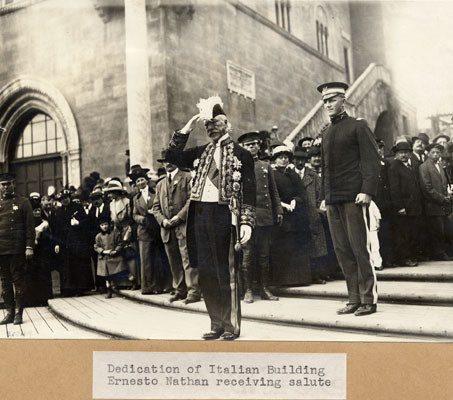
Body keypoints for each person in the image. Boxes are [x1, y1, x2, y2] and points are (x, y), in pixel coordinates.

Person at [165, 97, 256, 341]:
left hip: (225, 216)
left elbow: (249, 190)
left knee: (225, 272)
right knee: (206, 273)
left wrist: (246, 221)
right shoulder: (200, 153)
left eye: (215, 124)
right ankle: (216, 323)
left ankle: (230, 325)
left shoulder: (242, 154)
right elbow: (171, 156)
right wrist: (186, 129)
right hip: (200, 217)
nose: (210, 129)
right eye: (207, 126)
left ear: (227, 124)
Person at [318, 81, 380, 316]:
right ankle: (353, 297)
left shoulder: (358, 126)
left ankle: (368, 299)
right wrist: (325, 197)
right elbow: (325, 168)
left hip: (355, 198)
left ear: (344, 100)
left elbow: (371, 161)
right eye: (325, 101)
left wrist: (367, 190)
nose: (328, 104)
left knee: (359, 248)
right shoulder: (326, 132)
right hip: (333, 200)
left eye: (332, 99)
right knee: (343, 250)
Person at [237, 131, 282, 303]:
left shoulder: (265, 166)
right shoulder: (237, 166)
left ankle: (264, 288)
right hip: (245, 218)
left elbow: (273, 191)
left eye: (255, 144)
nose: (253, 147)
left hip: (264, 216)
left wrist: (278, 210)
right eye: (249, 145)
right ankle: (248, 290)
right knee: (247, 255)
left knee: (264, 255)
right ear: (243, 147)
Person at [152, 151, 201, 304]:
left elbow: (191, 201)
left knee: (187, 259)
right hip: (167, 228)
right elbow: (155, 207)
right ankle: (180, 290)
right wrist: (163, 221)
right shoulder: (160, 184)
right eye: (165, 161)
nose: (167, 163)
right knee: (174, 260)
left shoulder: (187, 178)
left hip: (183, 226)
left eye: (171, 160)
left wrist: (178, 217)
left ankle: (194, 291)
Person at [270, 145, 312, 287]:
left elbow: (301, 193)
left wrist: (295, 200)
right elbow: (270, 194)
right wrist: (281, 204)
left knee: (297, 244)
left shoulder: (293, 175)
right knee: (283, 246)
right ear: (275, 160)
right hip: (280, 214)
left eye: (286, 158)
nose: (283, 160)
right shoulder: (272, 174)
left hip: (295, 215)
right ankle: (282, 280)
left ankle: (299, 279)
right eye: (280, 158)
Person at [129, 165, 172, 295]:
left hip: (157, 228)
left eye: (142, 180)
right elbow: (134, 214)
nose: (140, 183)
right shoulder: (136, 199)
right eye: (138, 181)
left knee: (159, 257)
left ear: (146, 180)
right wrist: (141, 219)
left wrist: (154, 213)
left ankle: (163, 285)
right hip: (144, 231)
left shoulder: (155, 192)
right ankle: (147, 286)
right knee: (146, 259)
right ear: (136, 184)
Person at [0, 173, 35, 325]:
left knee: (18, 281)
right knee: (4, 282)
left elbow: (30, 227)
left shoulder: (23, 202)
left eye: (8, 184)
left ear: (14, 184)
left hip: (17, 249)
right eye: (2, 184)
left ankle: (18, 313)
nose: (5, 187)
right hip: (1, 249)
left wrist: (29, 246)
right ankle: (9, 312)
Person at [293, 147, 328, 283]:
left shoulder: (313, 176)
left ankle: (317, 275)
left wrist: (319, 211)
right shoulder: (289, 174)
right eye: (297, 159)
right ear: (293, 160)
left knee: (317, 247)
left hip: (313, 215)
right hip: (297, 216)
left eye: (302, 159)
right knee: (301, 247)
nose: (300, 162)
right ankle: (303, 276)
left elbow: (321, 194)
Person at [387, 141, 423, 267]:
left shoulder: (412, 166)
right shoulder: (394, 168)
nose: (403, 155)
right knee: (403, 234)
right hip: (404, 207)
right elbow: (394, 189)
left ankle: (412, 255)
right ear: (396, 155)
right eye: (400, 153)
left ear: (409, 154)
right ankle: (404, 258)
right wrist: (400, 207)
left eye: (406, 153)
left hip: (414, 206)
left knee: (413, 232)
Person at [53, 188, 93, 296]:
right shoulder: (59, 212)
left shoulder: (77, 208)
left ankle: (79, 288)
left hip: (77, 240)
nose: (64, 201)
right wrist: (57, 243)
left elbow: (86, 221)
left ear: (69, 198)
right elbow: (57, 229)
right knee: (66, 266)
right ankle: (67, 289)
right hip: (64, 242)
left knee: (77, 264)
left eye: (66, 198)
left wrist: (78, 223)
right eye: (62, 199)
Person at [419, 143, 452, 260]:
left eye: (438, 152)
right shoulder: (424, 167)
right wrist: (442, 198)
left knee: (444, 229)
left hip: (442, 205)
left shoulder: (440, 166)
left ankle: (443, 251)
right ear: (428, 153)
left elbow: (443, 184)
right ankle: (438, 253)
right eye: (433, 152)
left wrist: (447, 195)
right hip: (432, 205)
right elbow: (427, 188)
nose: (436, 154)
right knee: (436, 230)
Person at [94, 215, 130, 298]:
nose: (104, 227)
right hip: (104, 257)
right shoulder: (98, 236)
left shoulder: (115, 233)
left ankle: (127, 282)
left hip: (114, 255)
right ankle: (108, 289)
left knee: (120, 264)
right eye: (102, 225)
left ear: (109, 224)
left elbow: (120, 243)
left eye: (106, 224)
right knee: (107, 273)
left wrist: (116, 250)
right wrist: (103, 251)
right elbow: (96, 247)